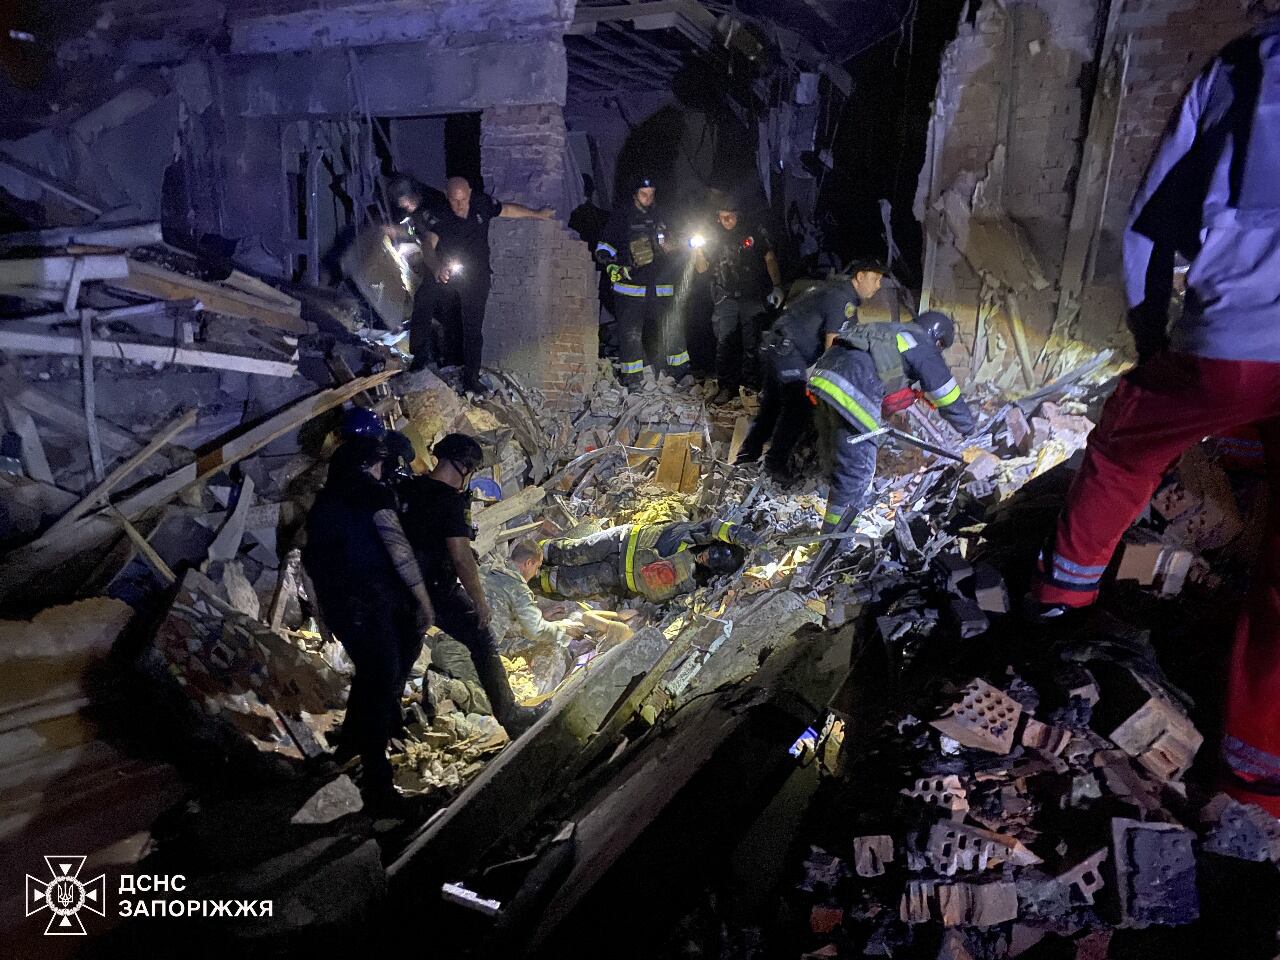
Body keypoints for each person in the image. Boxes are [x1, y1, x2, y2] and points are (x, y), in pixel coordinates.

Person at [1027, 13, 1280, 817]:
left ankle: (1060, 604)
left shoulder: (1243, 67)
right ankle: (1257, 783)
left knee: (1125, 447)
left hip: (1235, 343)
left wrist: (1148, 337)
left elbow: (1151, 220)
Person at [302, 435, 434, 807]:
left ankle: (346, 750)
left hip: (343, 609)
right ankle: (378, 784)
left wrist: (323, 617)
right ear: (366, 466)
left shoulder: (323, 504)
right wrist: (423, 598)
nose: (382, 471)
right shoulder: (374, 495)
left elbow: (308, 564)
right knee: (383, 679)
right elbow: (398, 548)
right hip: (370, 605)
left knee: (371, 674)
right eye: (378, 464)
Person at [397, 433, 540, 734]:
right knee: (482, 640)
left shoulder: (409, 488)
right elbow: (461, 558)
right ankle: (511, 715)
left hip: (402, 588)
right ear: (464, 466)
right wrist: (480, 601)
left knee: (405, 651)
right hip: (438, 589)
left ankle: (389, 720)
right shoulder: (449, 502)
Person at [809, 308, 975, 532]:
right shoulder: (922, 342)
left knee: (837, 455)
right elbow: (947, 393)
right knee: (858, 473)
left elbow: (885, 380)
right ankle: (836, 543)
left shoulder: (891, 330)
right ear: (938, 341)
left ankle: (828, 495)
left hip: (822, 379)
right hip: (852, 388)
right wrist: (970, 429)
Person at [387, 175, 553, 392]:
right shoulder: (438, 212)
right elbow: (428, 244)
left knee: (473, 328)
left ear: (470, 194)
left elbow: (507, 210)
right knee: (424, 299)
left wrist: (537, 214)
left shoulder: (481, 203)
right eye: (454, 200)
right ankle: (420, 358)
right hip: (445, 269)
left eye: (463, 200)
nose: (459, 206)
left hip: (476, 275)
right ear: (447, 196)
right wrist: (436, 266)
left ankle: (471, 379)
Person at [736, 263, 885, 479]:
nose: (878, 286)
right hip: (787, 351)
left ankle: (746, 458)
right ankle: (774, 465)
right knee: (798, 407)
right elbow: (833, 347)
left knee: (772, 407)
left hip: (775, 347)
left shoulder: (833, 290)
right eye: (875, 279)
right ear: (860, 277)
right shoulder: (843, 299)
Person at [595, 175, 691, 387]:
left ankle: (681, 374)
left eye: (651, 194)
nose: (648, 198)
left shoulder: (663, 217)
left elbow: (682, 241)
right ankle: (634, 380)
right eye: (643, 194)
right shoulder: (621, 218)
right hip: (630, 288)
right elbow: (604, 247)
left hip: (661, 287)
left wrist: (676, 245)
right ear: (634, 195)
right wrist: (612, 265)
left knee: (672, 329)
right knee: (631, 335)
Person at [693, 192, 784, 403]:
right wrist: (697, 250)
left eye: (730, 216)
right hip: (725, 296)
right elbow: (702, 269)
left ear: (738, 215)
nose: (727, 221)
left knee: (752, 343)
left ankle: (751, 387)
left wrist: (777, 286)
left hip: (751, 295)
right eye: (723, 217)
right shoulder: (712, 235)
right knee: (725, 342)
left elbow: (769, 257)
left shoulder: (753, 231)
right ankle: (727, 386)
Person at [538, 518, 759, 604]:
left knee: (568, 582)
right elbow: (714, 527)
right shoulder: (691, 534)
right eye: (711, 551)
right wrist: (739, 533)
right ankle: (532, 555)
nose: (706, 556)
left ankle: (533, 581)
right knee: (573, 551)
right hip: (620, 541)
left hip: (618, 577)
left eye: (711, 561)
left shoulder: (691, 581)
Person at [485, 540, 586, 660]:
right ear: (528, 563)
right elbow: (535, 631)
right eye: (537, 567)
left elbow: (499, 620)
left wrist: (539, 617)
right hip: (474, 649)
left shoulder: (488, 568)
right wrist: (563, 628)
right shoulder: (518, 590)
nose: (536, 573)